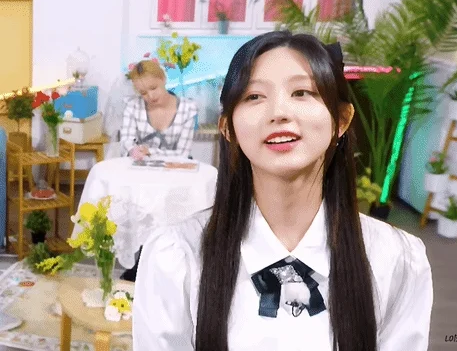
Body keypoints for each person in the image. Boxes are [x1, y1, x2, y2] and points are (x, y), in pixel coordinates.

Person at [133, 31, 433, 351]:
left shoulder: (397, 260)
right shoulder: (176, 257)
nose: (279, 112)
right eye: (254, 96)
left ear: (341, 120)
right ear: (228, 128)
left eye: (302, 92)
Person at [120, 59, 198, 160]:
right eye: (143, 93)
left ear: (163, 79)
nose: (151, 96)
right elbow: (126, 141)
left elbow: (183, 154)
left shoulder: (187, 109)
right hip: (142, 166)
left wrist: (150, 151)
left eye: (153, 88)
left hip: (175, 167)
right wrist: (133, 150)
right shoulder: (133, 107)